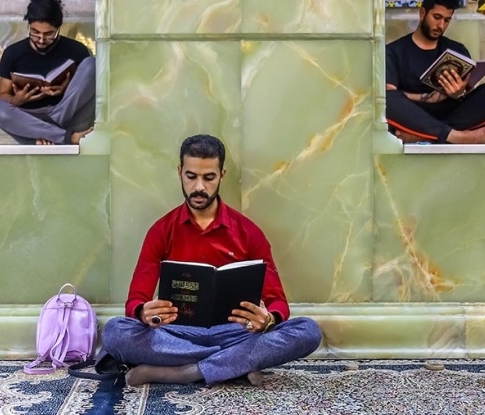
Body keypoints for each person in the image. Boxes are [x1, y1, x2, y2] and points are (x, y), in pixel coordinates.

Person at [100, 134, 323, 387]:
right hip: (176, 334)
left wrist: (268, 319)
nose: (199, 187)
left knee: (307, 331)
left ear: (222, 175)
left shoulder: (248, 232)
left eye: (209, 178)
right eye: (191, 176)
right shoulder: (162, 230)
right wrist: (143, 312)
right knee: (115, 331)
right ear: (180, 172)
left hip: (236, 334)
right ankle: (234, 366)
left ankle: (188, 371)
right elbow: (135, 301)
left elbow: (278, 301)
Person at [385, 0, 485, 144]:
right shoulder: (394, 51)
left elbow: (466, 94)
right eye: (437, 18)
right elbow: (388, 93)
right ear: (422, 13)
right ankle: (458, 137)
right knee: (386, 100)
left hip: (449, 112)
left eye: (447, 20)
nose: (441, 26)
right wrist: (427, 98)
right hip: (412, 114)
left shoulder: (457, 50)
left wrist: (457, 93)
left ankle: (423, 136)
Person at [0, 0, 95, 145]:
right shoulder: (13, 53)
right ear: (28, 25)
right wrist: (16, 100)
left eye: (48, 34)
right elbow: (2, 96)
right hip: (30, 121)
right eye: (35, 32)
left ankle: (45, 135)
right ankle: (66, 138)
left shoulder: (76, 50)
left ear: (58, 28)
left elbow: (85, 89)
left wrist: (66, 89)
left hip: (68, 117)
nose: (41, 39)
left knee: (92, 64)